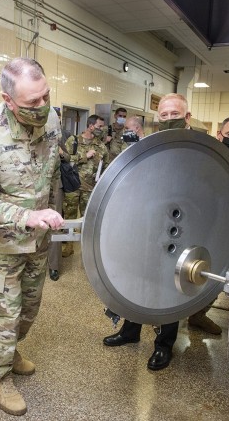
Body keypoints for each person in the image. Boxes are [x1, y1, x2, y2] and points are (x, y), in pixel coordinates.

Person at [0, 57, 64, 416]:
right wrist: (29, 215)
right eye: (31, 103)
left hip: (37, 243)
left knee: (29, 311)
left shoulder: (52, 120)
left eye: (45, 96)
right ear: (7, 100)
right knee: (3, 317)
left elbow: (50, 176)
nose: (42, 107)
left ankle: (11, 349)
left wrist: (51, 213)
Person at [103, 93, 193, 371]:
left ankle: (164, 345)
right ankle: (131, 330)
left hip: (182, 226)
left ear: (186, 117)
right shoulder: (151, 145)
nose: (168, 119)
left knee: (171, 287)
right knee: (140, 278)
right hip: (148, 227)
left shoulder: (198, 148)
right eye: (163, 115)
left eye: (174, 114)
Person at [186, 116, 229, 334]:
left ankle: (198, 314)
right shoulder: (202, 158)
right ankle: (171, 315)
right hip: (195, 226)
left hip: (221, 229)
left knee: (215, 272)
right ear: (219, 134)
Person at [61, 114, 109, 257]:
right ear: (90, 126)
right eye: (99, 126)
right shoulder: (73, 140)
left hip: (90, 190)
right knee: (69, 218)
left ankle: (87, 251)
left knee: (89, 221)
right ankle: (67, 247)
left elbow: (106, 167)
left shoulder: (101, 146)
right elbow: (64, 159)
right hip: (72, 187)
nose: (102, 129)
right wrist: (84, 156)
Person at [47, 107, 72, 281]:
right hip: (34, 188)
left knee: (54, 225)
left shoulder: (59, 135)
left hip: (56, 186)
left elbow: (69, 157)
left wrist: (61, 153)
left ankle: (53, 266)